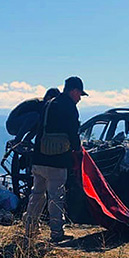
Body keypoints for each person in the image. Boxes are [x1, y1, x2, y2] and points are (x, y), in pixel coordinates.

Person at [24, 76, 86, 242]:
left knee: (37, 194)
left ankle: (30, 229)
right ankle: (57, 233)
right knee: (56, 196)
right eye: (79, 94)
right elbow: (73, 133)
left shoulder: (48, 104)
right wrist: (78, 149)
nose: (79, 98)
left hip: (38, 158)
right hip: (57, 161)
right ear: (73, 91)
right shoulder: (69, 107)